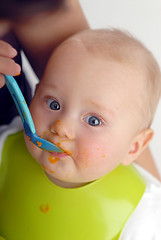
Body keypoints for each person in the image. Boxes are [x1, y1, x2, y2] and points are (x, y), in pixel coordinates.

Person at [0, 28, 161, 239]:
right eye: (53, 103)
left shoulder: (144, 213)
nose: (61, 127)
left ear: (134, 147)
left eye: (93, 120)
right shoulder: (5, 149)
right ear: (35, 95)